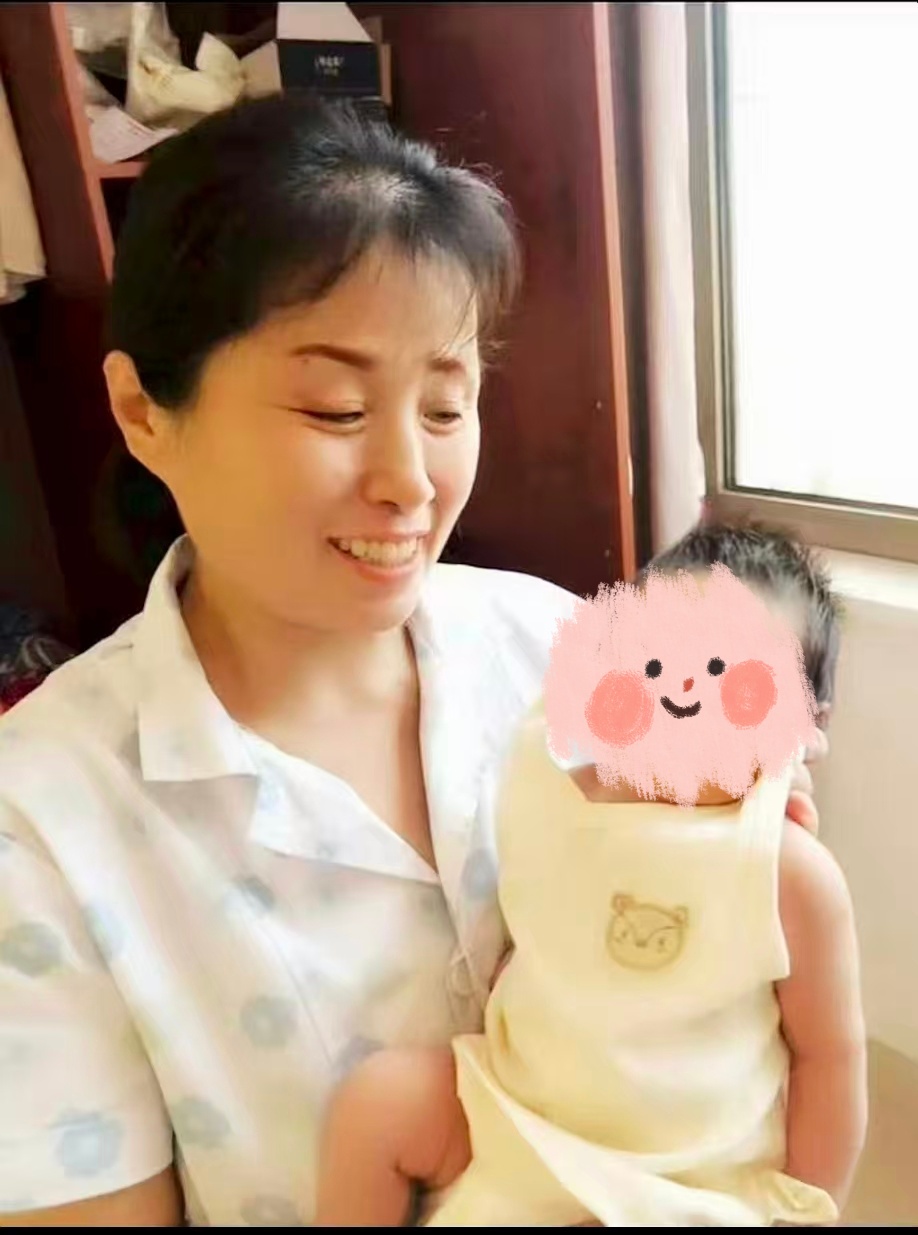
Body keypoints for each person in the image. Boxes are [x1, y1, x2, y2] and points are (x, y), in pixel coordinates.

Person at [0, 96, 824, 1228]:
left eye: (445, 405)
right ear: (144, 412)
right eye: (336, 409)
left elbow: (744, 1007)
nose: (411, 480)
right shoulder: (40, 820)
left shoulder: (572, 655)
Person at [316, 524, 866, 1227]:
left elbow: (830, 1058)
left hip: (680, 1175)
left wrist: (802, 1203)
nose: (682, 689)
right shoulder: (556, 784)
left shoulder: (785, 871)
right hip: (517, 1109)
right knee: (379, 1101)